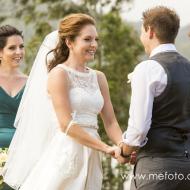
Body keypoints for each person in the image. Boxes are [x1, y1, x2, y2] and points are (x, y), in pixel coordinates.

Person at [3, 13, 125, 190]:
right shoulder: (58, 74)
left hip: (92, 153)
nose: (94, 45)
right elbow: (65, 124)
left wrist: (122, 145)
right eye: (87, 39)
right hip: (67, 152)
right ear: (69, 42)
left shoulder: (99, 78)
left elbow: (111, 121)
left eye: (95, 39)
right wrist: (106, 148)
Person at [119, 6, 190, 190]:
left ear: (149, 31)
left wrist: (125, 152)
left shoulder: (148, 69)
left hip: (157, 167)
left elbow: (139, 129)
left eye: (142, 31)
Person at [0, 25, 27, 190]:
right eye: (12, 47)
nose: (19, 52)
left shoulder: (32, 83)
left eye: (21, 47)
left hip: (23, 155)